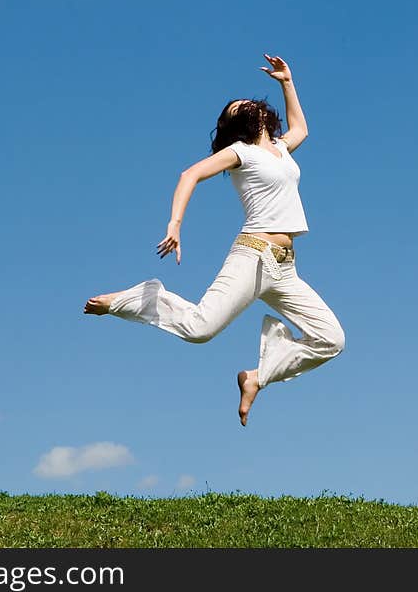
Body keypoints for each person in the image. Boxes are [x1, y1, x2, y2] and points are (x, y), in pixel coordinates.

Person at [83, 53, 345, 426]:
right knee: (199, 329)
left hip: (285, 269)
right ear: (238, 123)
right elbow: (189, 174)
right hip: (253, 256)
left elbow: (301, 129)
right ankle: (135, 299)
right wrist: (175, 224)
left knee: (331, 339)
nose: (250, 105)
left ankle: (256, 378)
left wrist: (287, 82)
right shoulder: (240, 152)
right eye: (240, 107)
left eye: (250, 103)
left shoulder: (281, 149)